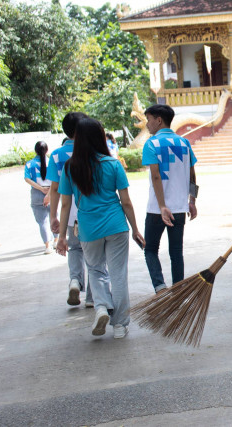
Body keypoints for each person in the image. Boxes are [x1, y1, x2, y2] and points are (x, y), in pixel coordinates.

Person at [56, 118, 145, 339]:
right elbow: (126, 202)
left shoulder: (70, 168)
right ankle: (120, 326)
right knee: (118, 275)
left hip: (88, 229)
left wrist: (61, 237)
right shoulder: (112, 164)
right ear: (99, 137)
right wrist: (135, 228)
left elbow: (65, 204)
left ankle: (102, 307)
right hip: (116, 226)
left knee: (95, 271)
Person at [141, 104, 198, 293]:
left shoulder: (151, 144)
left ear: (158, 120)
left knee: (150, 249)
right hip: (180, 207)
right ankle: (178, 290)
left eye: (149, 119)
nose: (147, 124)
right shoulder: (184, 143)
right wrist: (192, 201)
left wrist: (162, 205)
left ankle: (160, 286)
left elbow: (156, 176)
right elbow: (192, 175)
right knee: (176, 252)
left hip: (158, 209)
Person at [48, 112, 93, 307]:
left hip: (69, 215)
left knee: (74, 249)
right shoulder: (92, 151)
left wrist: (53, 217)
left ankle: (75, 281)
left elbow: (55, 188)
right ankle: (92, 297)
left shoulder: (56, 155)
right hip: (91, 212)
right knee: (94, 254)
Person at [24, 141, 57, 254]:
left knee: (42, 222)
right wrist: (48, 194)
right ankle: (56, 240)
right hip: (52, 192)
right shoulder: (52, 162)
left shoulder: (29, 164)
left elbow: (27, 179)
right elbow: (56, 178)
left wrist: (40, 189)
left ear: (35, 150)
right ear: (47, 150)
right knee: (55, 217)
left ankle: (47, 245)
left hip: (37, 194)